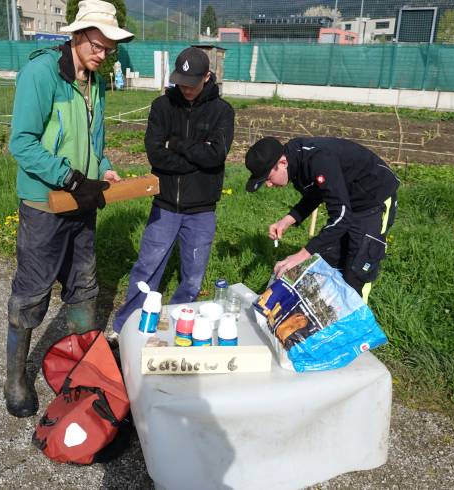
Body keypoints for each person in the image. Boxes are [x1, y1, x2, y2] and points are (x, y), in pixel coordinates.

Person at [4, 0, 133, 418]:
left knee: (84, 286)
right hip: (47, 204)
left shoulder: (93, 82)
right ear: (77, 36)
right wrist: (70, 177)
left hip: (84, 201)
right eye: (98, 45)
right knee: (32, 292)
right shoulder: (41, 74)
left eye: (109, 48)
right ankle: (16, 377)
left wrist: (105, 169)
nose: (103, 54)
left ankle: (85, 368)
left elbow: (95, 139)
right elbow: (21, 142)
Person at [111, 47, 235, 335]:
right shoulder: (162, 107)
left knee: (192, 277)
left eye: (192, 82)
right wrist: (196, 158)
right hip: (165, 204)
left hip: (202, 209)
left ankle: (177, 326)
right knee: (147, 269)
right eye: (181, 81)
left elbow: (215, 156)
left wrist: (176, 144)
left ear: (206, 77)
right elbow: (155, 155)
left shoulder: (222, 112)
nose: (186, 88)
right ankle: (126, 327)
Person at [245, 136, 399, 303]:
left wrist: (302, 255)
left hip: (373, 200)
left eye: (268, 178)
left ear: (282, 163)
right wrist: (287, 220)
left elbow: (341, 217)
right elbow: (317, 193)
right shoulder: (296, 160)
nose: (268, 185)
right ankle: (330, 317)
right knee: (329, 262)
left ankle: (355, 322)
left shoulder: (318, 159)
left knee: (356, 270)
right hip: (346, 201)